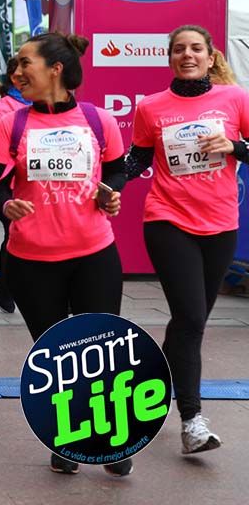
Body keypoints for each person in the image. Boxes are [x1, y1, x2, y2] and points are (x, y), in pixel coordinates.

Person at [0, 33, 128, 476]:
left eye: (25, 63)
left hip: (93, 253)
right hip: (30, 258)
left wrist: (110, 193)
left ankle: (114, 440)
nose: (16, 73)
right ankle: (70, 437)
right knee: (57, 355)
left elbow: (117, 168)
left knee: (101, 350)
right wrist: (5, 203)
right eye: (14, 65)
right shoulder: (13, 122)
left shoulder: (99, 120)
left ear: (55, 68)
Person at [124, 25, 249, 455]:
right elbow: (137, 158)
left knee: (186, 323)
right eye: (179, 49)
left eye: (196, 48)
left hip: (220, 224)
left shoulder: (235, 99)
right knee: (193, 318)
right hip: (167, 220)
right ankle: (192, 421)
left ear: (211, 57)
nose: (187, 55)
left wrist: (233, 145)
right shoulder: (151, 107)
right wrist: (110, 185)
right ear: (170, 58)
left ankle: (152, 374)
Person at [0, 57, 29, 314]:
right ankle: (6, 285)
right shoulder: (4, 106)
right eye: (17, 73)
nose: (22, 76)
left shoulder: (47, 102)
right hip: (11, 185)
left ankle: (10, 280)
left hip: (42, 186)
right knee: (12, 234)